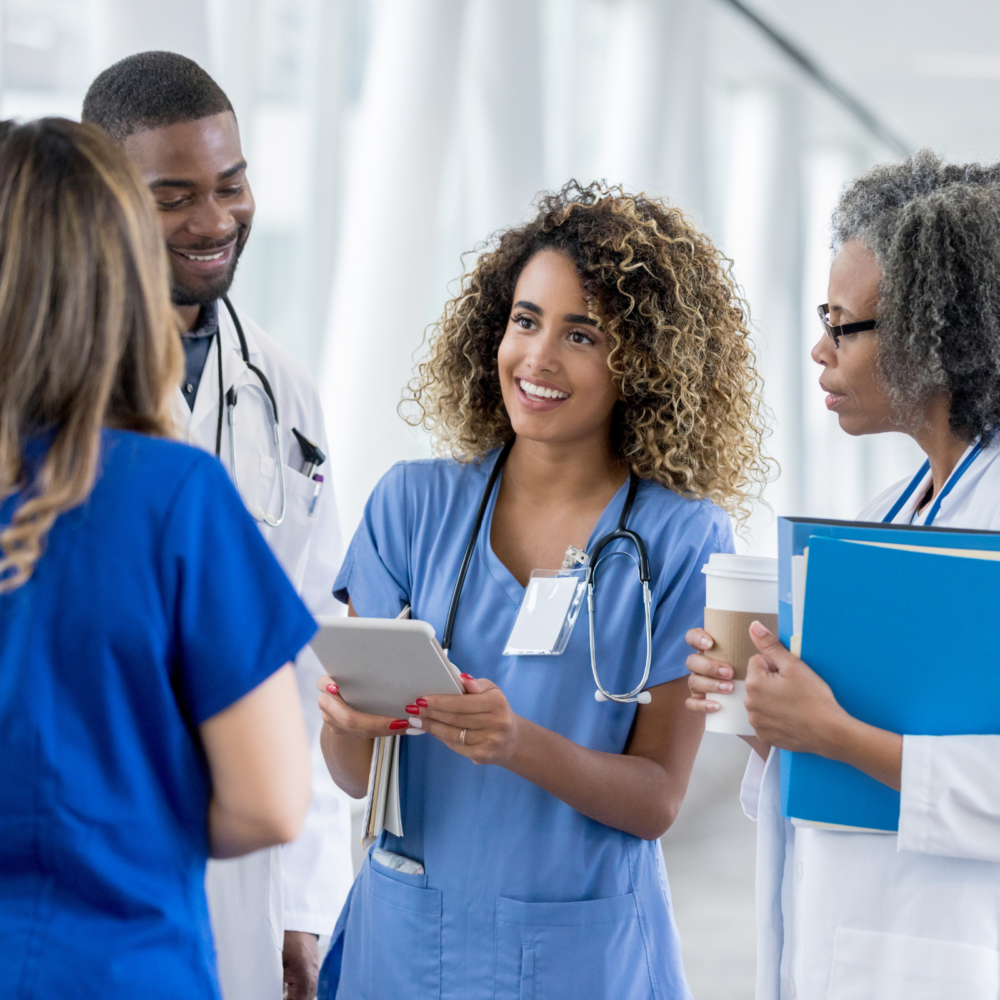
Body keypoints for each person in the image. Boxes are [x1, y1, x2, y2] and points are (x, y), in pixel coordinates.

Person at [315, 182, 771, 999]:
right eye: (526, 320)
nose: (539, 360)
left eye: (582, 334)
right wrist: (348, 725)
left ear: (643, 362)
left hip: (581, 959)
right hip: (408, 943)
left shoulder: (680, 539)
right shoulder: (411, 506)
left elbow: (658, 800)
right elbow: (353, 775)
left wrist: (515, 742)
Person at [0, 118, 315, 1000]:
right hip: (119, 967)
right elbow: (269, 799)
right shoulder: (173, 496)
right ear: (122, 272)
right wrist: (116, 816)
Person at [686, 150, 1000, 1000]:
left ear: (940, 335)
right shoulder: (884, 514)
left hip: (946, 953)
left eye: (843, 323)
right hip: (837, 944)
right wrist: (764, 711)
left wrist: (835, 734)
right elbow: (828, 761)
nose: (820, 349)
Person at [81, 52, 352, 1000]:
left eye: (231, 185)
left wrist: (305, 900)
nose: (214, 220)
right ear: (106, 199)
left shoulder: (283, 388)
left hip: (246, 869)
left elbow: (309, 658)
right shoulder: (47, 398)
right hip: (91, 851)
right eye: (174, 195)